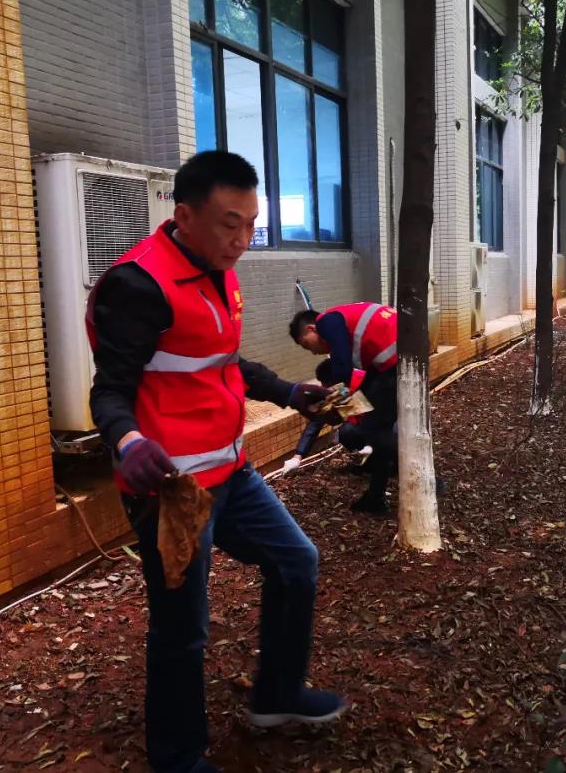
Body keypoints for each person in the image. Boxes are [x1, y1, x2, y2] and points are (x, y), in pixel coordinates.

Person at [86, 151, 346, 773]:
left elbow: (223, 361)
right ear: (184, 216)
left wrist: (289, 392)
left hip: (231, 471)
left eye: (251, 224)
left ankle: (276, 695)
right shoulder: (137, 286)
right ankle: (177, 758)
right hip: (172, 489)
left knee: (296, 562)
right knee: (183, 627)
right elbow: (109, 391)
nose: (242, 239)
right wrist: (128, 441)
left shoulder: (218, 274)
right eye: (230, 224)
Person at [290, 303, 398, 515]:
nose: (313, 352)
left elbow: (342, 370)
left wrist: (331, 402)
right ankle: (376, 493)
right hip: (397, 359)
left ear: (311, 328)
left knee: (377, 430)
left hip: (394, 362)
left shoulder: (327, 321)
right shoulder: (349, 328)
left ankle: (379, 495)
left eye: (307, 345)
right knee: (370, 427)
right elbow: (360, 390)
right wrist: (336, 408)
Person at [282, 359, 373, 474]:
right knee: (346, 431)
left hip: (385, 428)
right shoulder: (341, 390)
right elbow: (317, 420)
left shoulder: (367, 381)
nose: (324, 390)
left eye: (327, 386)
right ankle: (368, 466)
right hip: (364, 428)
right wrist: (297, 457)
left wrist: (371, 443)